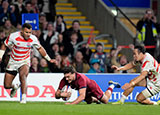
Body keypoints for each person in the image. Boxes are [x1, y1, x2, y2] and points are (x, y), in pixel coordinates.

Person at [0, 23, 57, 104]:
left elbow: (40, 48)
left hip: (24, 61)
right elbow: (4, 45)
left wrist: (49, 59)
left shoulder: (33, 39)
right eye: (27, 32)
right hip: (13, 62)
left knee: (23, 76)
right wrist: (0, 56)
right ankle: (15, 86)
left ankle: (23, 99)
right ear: (22, 31)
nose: (29, 34)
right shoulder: (13, 36)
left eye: (30, 32)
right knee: (6, 85)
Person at [55, 66, 121, 105]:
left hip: (92, 88)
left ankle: (112, 86)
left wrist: (71, 104)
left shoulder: (81, 78)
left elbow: (82, 96)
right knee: (89, 101)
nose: (66, 79)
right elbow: (56, 95)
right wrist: (61, 95)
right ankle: (96, 100)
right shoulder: (64, 80)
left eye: (68, 76)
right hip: (85, 90)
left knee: (105, 100)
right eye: (65, 77)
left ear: (73, 74)